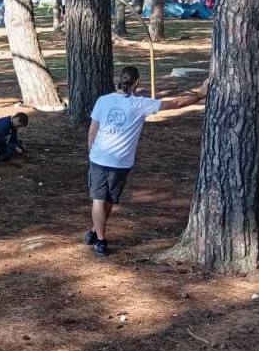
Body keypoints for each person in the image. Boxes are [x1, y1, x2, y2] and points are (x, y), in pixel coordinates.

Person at [85, 66, 208, 257]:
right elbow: (175, 103)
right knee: (104, 200)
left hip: (99, 158)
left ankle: (95, 231)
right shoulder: (140, 104)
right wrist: (199, 95)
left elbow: (92, 131)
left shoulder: (103, 100)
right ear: (137, 83)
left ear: (119, 81)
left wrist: (92, 152)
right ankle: (101, 240)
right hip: (120, 162)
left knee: (101, 200)